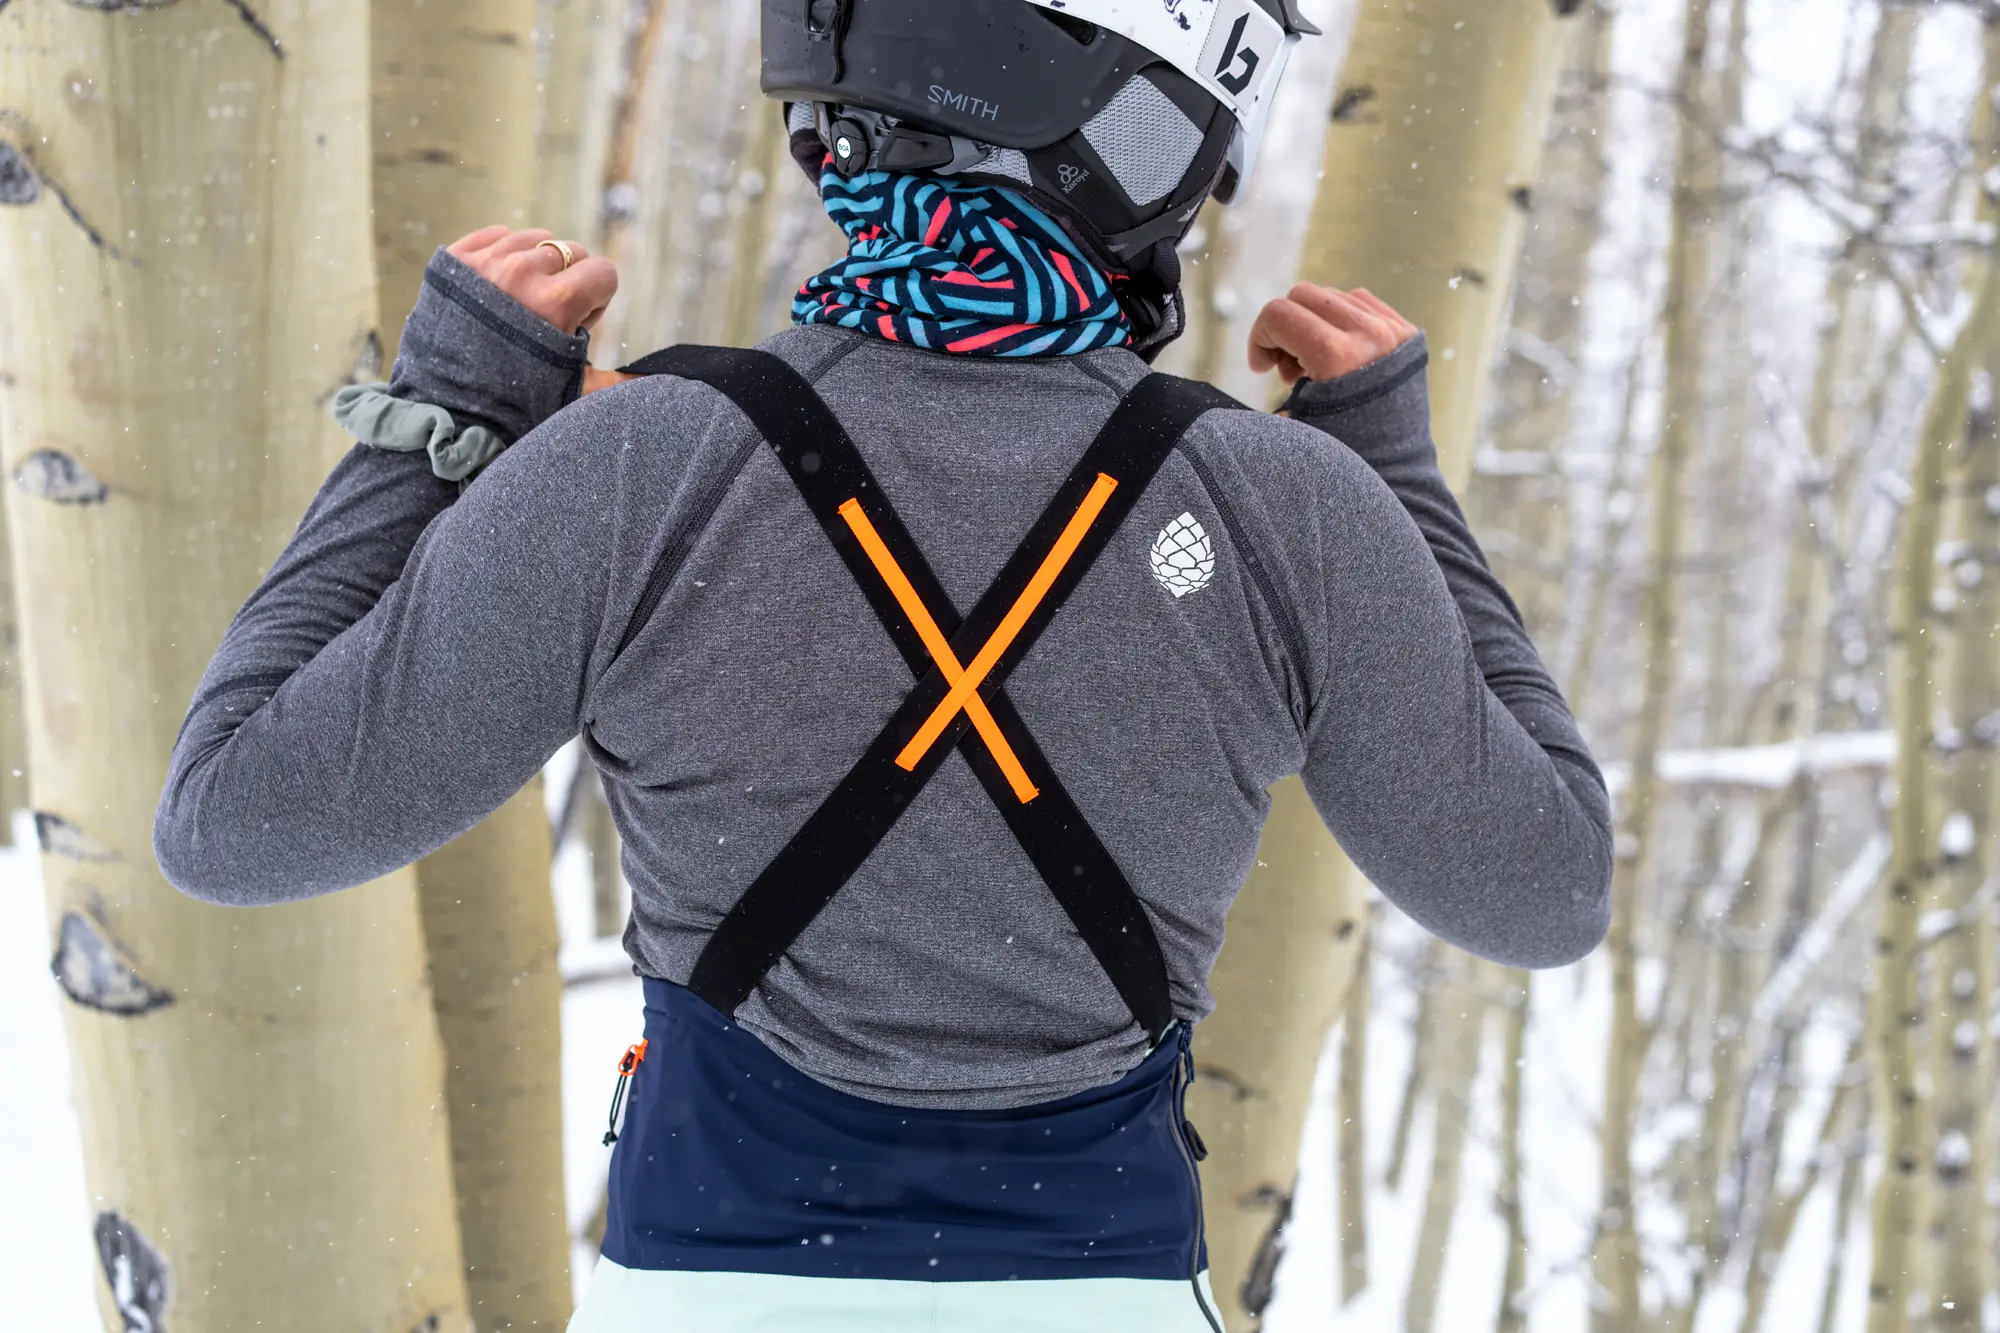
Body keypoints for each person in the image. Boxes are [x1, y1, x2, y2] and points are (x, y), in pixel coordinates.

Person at [155, 1, 1613, 1328]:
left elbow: (236, 821)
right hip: (1096, 1290)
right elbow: (1541, 891)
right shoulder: (1283, 512)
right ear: (1132, 132)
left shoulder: (639, 467)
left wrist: (443, 417)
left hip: (709, 1287)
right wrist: (1394, 484)